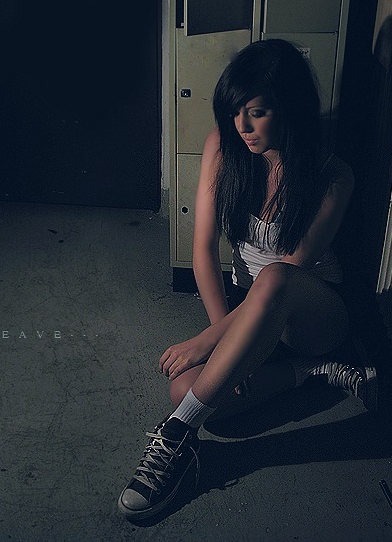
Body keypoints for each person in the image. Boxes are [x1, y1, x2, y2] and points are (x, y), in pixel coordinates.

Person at [118, 39, 377, 521]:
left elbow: (290, 273)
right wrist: (223, 339)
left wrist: (207, 341)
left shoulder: (332, 177)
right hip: (248, 313)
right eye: (235, 112)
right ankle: (309, 373)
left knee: (274, 278)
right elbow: (202, 251)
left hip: (313, 316)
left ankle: (176, 436)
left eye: (257, 113)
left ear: (290, 109)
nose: (242, 126)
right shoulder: (225, 146)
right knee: (185, 387)